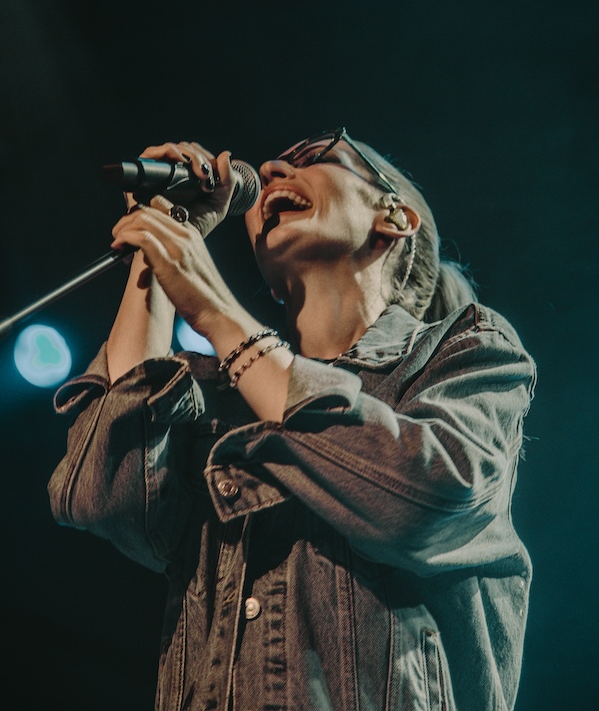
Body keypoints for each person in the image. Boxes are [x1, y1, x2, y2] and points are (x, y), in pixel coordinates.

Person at [48, 127, 536, 711]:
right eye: (273, 166)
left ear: (394, 217)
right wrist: (161, 238)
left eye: (313, 156)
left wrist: (213, 308)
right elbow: (105, 495)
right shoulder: (220, 399)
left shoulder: (465, 351)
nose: (273, 170)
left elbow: (427, 496)